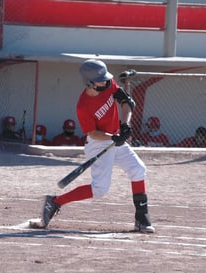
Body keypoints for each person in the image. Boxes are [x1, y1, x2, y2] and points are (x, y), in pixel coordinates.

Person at [39, 59, 155, 233]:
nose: (105, 81)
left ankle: (142, 219)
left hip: (116, 138)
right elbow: (92, 133)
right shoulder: (83, 106)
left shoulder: (108, 84)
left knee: (138, 169)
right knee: (100, 190)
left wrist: (125, 125)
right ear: (89, 82)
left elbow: (125, 101)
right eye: (100, 79)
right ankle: (55, 202)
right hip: (98, 143)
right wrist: (112, 136)